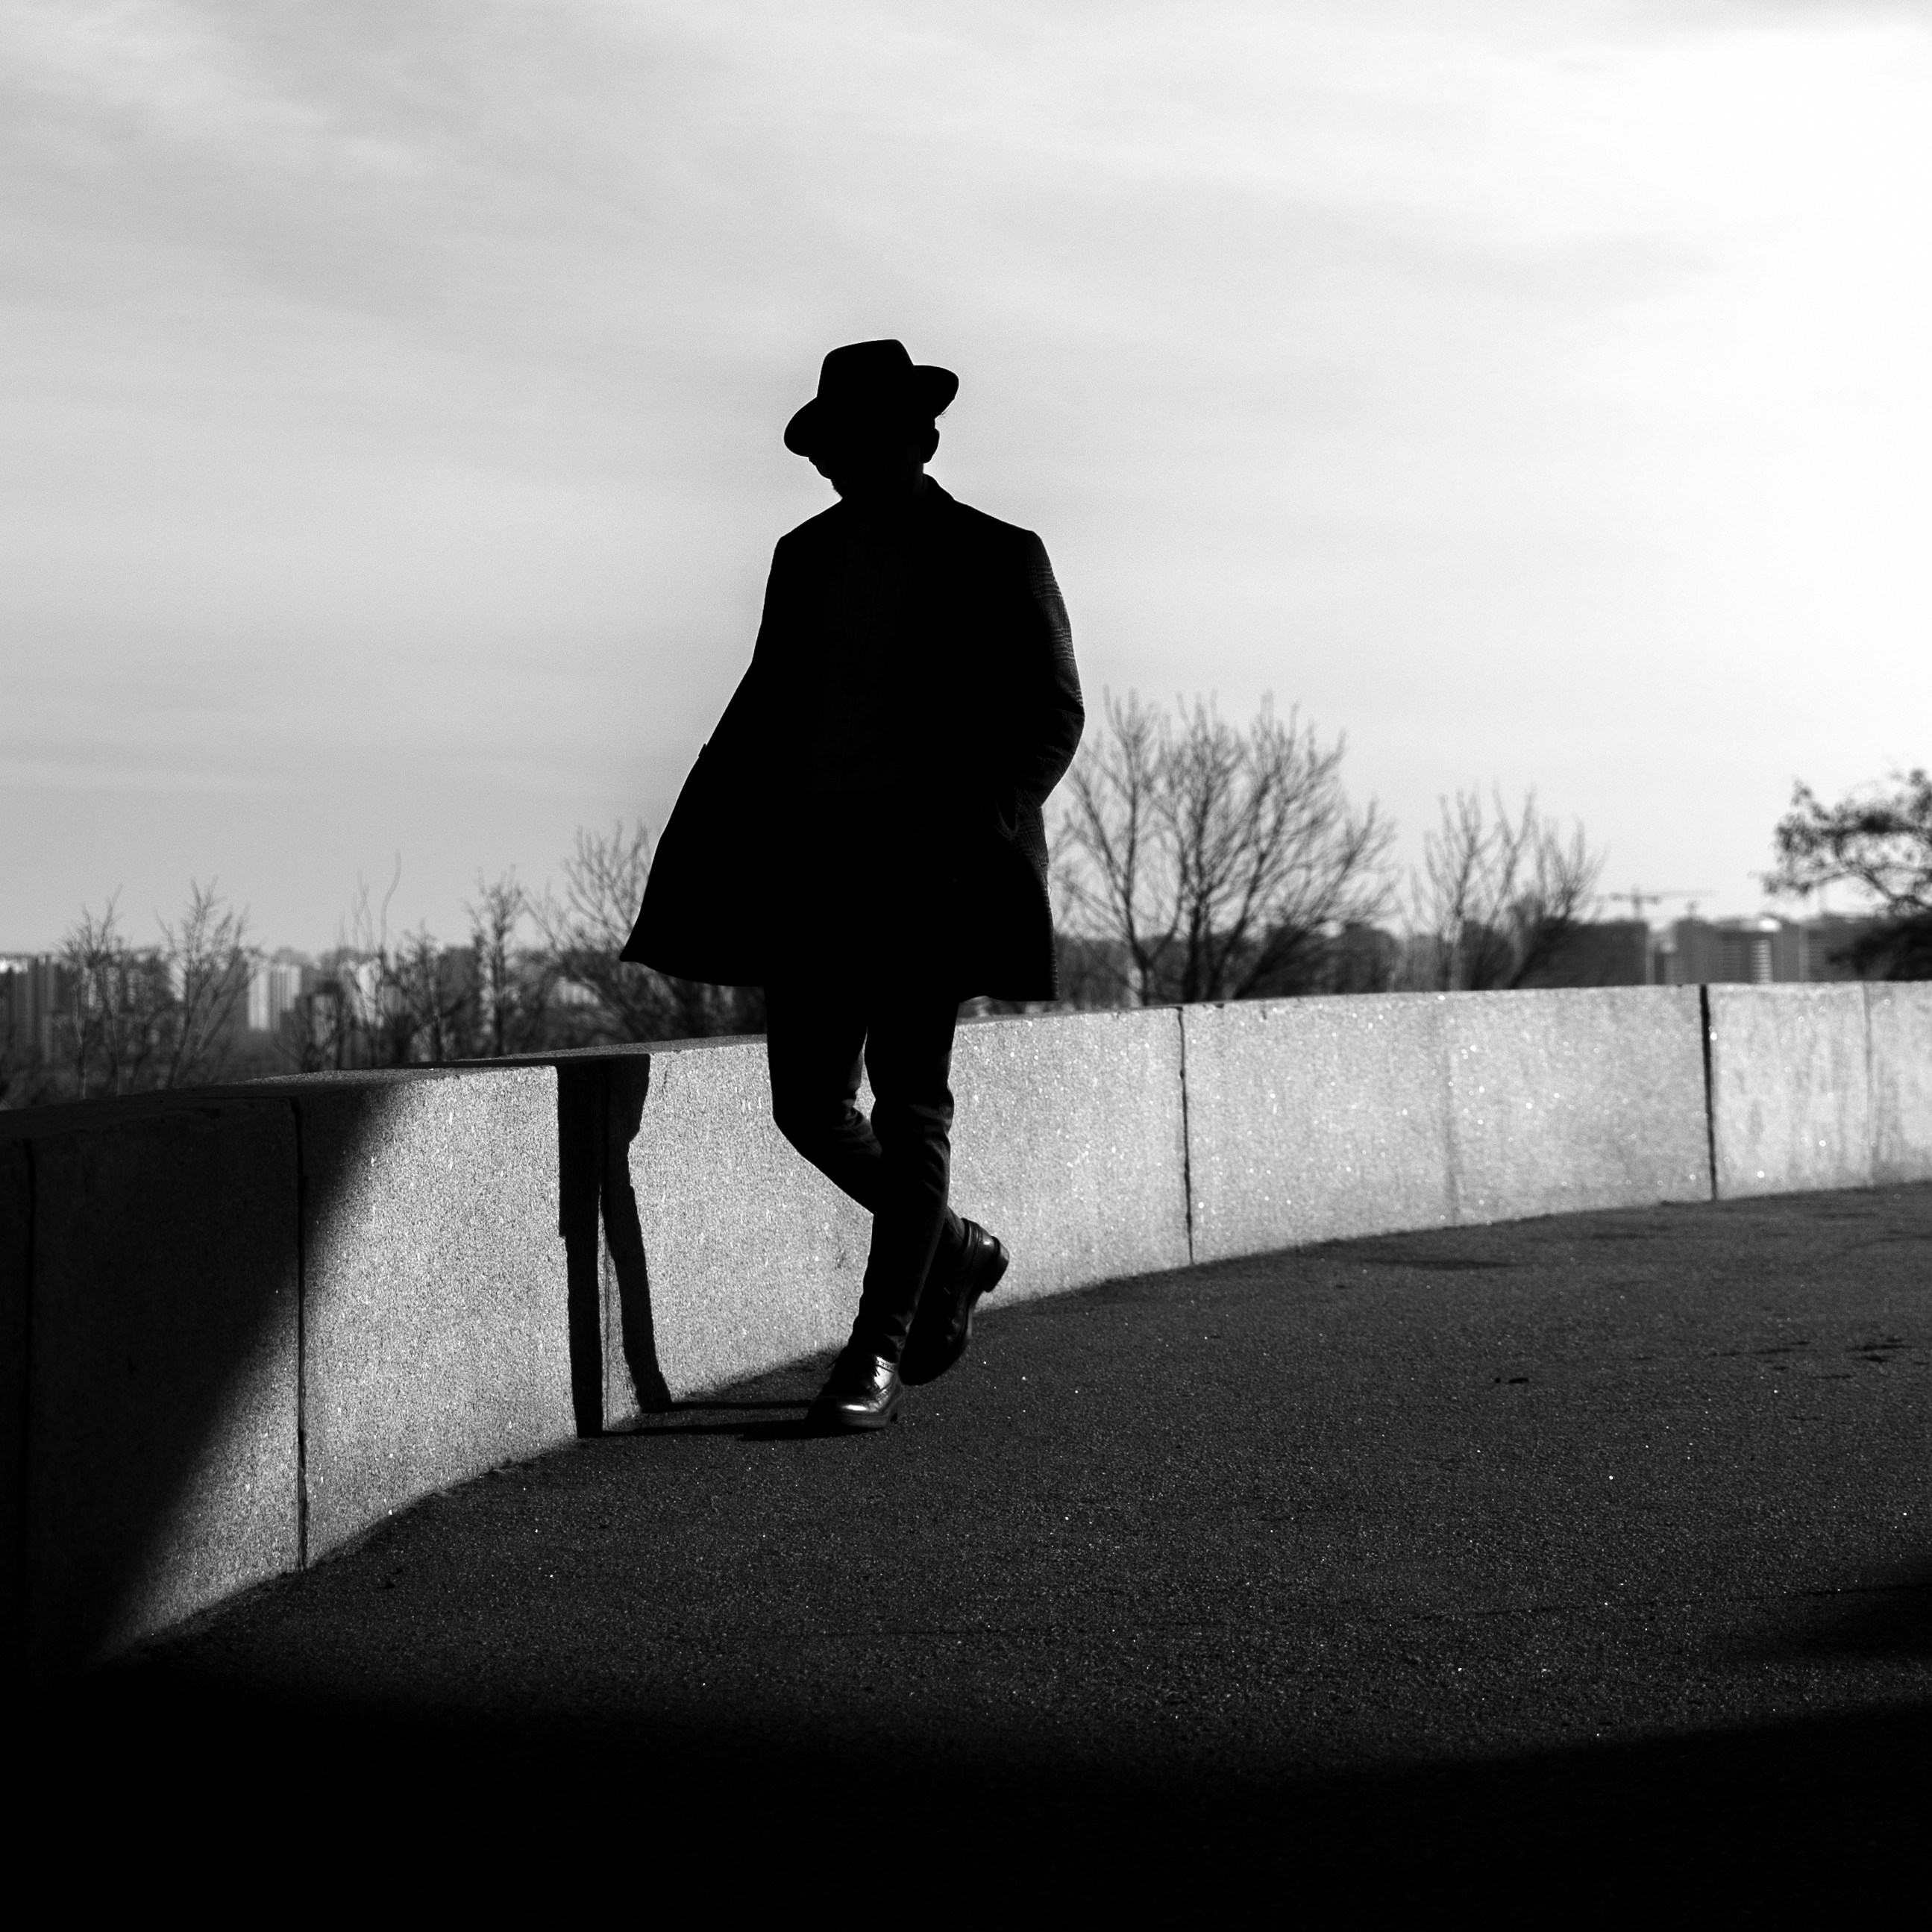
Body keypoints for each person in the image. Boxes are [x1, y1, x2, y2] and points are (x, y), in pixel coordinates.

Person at [622, 339, 1084, 1431]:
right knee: (807, 1106)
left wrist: (965, 833)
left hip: (932, 874)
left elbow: (1052, 714)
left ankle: (873, 1351)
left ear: (909, 441)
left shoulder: (997, 553)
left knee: (910, 1101)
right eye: (822, 446)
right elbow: (769, 706)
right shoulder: (803, 556)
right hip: (815, 871)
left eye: (845, 442)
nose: (828, 463)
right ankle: (954, 1247)